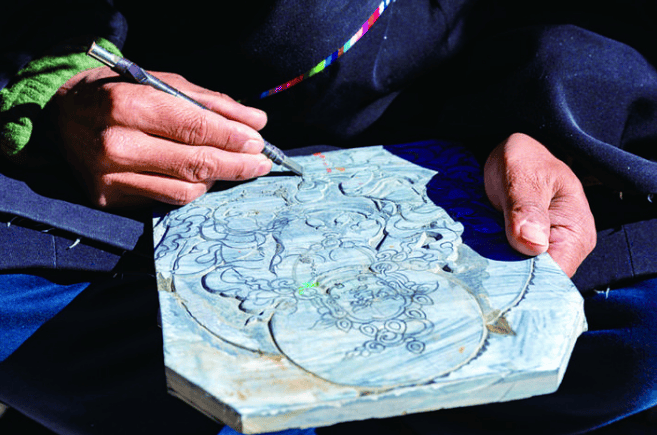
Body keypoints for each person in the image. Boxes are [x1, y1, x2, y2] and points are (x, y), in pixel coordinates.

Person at [0, 0, 655, 433]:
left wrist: (550, 124)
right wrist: (61, 88)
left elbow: (608, 20)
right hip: (124, 183)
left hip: (478, 118)